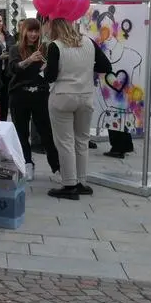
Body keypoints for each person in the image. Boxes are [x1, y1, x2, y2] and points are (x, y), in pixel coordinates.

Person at [44, 18, 113, 200]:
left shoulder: (55, 46)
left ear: (54, 28)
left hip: (63, 96)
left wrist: (46, 70)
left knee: (65, 142)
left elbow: (50, 76)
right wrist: (87, 68)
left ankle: (69, 183)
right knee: (82, 140)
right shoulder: (88, 42)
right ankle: (82, 182)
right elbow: (106, 66)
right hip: (86, 95)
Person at [7, 18, 60, 178]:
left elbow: (52, 73)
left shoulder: (46, 48)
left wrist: (47, 66)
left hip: (40, 95)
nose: (33, 34)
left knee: (46, 133)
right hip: (19, 94)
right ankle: (27, 164)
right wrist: (29, 60)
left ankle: (56, 167)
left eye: (36, 31)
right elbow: (13, 69)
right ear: (23, 31)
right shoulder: (15, 49)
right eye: (30, 30)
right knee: (21, 132)